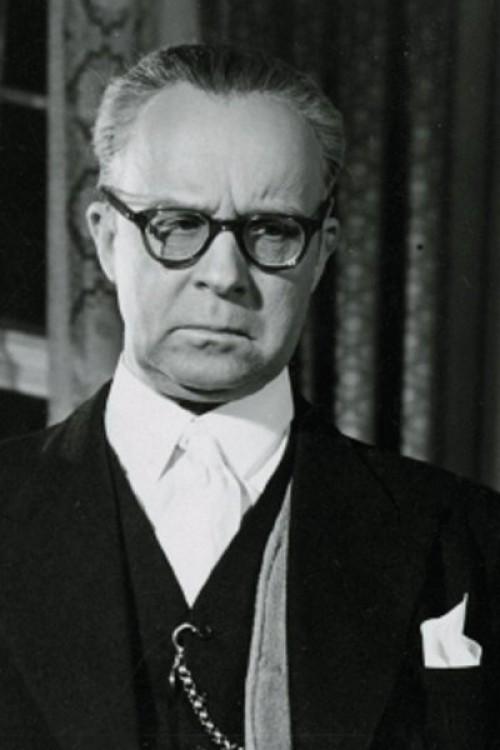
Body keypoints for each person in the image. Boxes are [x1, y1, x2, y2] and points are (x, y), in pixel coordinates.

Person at [0, 43, 499, 750]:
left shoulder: (468, 537)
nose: (225, 275)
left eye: (272, 231)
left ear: (321, 252)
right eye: (178, 225)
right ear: (107, 240)